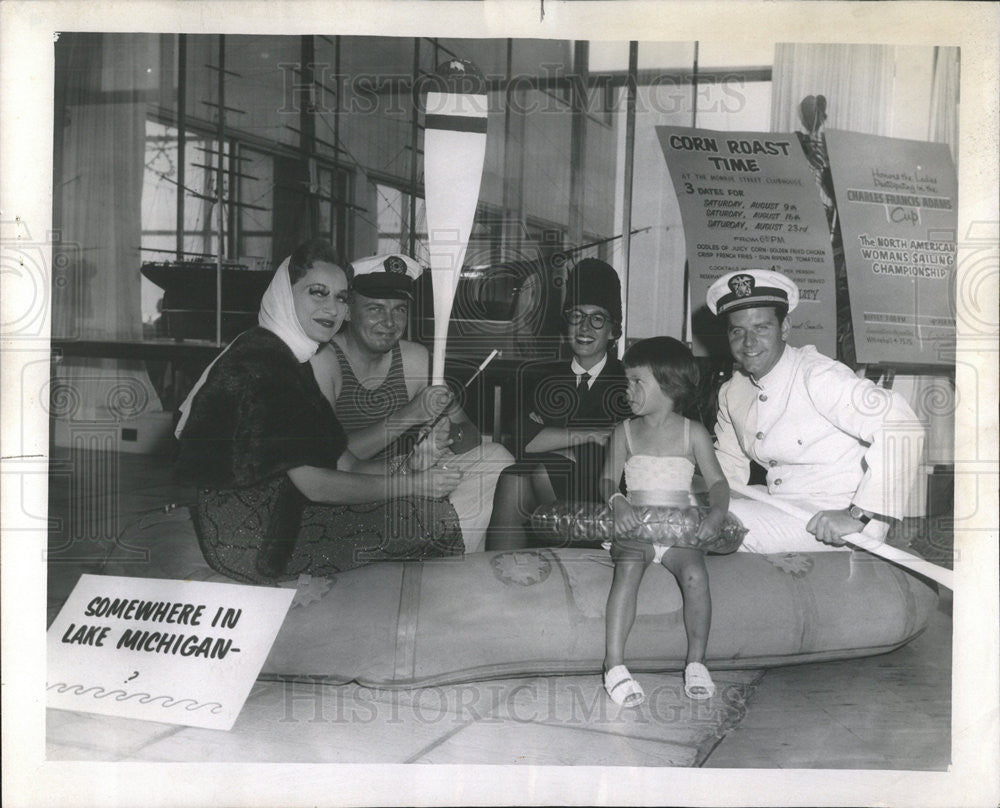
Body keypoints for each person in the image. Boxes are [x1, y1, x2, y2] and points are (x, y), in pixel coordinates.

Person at [175, 240, 464, 584]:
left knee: (423, 514)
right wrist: (414, 485)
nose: (332, 309)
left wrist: (409, 467)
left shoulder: (288, 356)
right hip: (255, 541)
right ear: (285, 295)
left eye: (341, 297)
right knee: (431, 519)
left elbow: (345, 465)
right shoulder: (265, 365)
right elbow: (318, 486)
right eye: (318, 293)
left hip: (282, 513)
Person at [707, 269, 924, 552]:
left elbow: (900, 424)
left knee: (720, 526)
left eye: (761, 328)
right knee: (679, 512)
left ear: (784, 328)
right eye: (738, 331)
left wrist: (857, 515)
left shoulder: (818, 374)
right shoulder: (733, 391)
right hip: (778, 504)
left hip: (837, 514)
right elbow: (727, 470)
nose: (748, 343)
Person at [309, 253, 514, 554]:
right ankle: (438, 548)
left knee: (497, 457)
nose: (390, 322)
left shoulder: (413, 358)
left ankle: (443, 549)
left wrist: (445, 437)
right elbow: (330, 463)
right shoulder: (323, 361)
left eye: (400, 310)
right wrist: (408, 417)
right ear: (349, 311)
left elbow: (468, 437)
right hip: (355, 490)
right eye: (375, 309)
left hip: (408, 478)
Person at [600, 337, 731, 706]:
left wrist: (717, 514)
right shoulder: (624, 432)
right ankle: (614, 665)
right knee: (628, 566)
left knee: (695, 574)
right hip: (636, 527)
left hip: (678, 532)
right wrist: (617, 502)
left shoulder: (693, 433)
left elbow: (718, 483)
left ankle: (697, 662)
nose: (629, 390)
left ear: (669, 385)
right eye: (628, 381)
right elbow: (607, 479)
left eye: (637, 381)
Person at [484, 258, 632, 550]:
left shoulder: (629, 381)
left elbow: (627, 446)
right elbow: (524, 440)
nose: (585, 327)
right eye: (576, 315)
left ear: (614, 331)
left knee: (536, 469)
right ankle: (500, 582)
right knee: (515, 478)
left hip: (610, 488)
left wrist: (557, 442)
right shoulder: (541, 378)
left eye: (598, 318)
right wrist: (589, 435)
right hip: (549, 481)